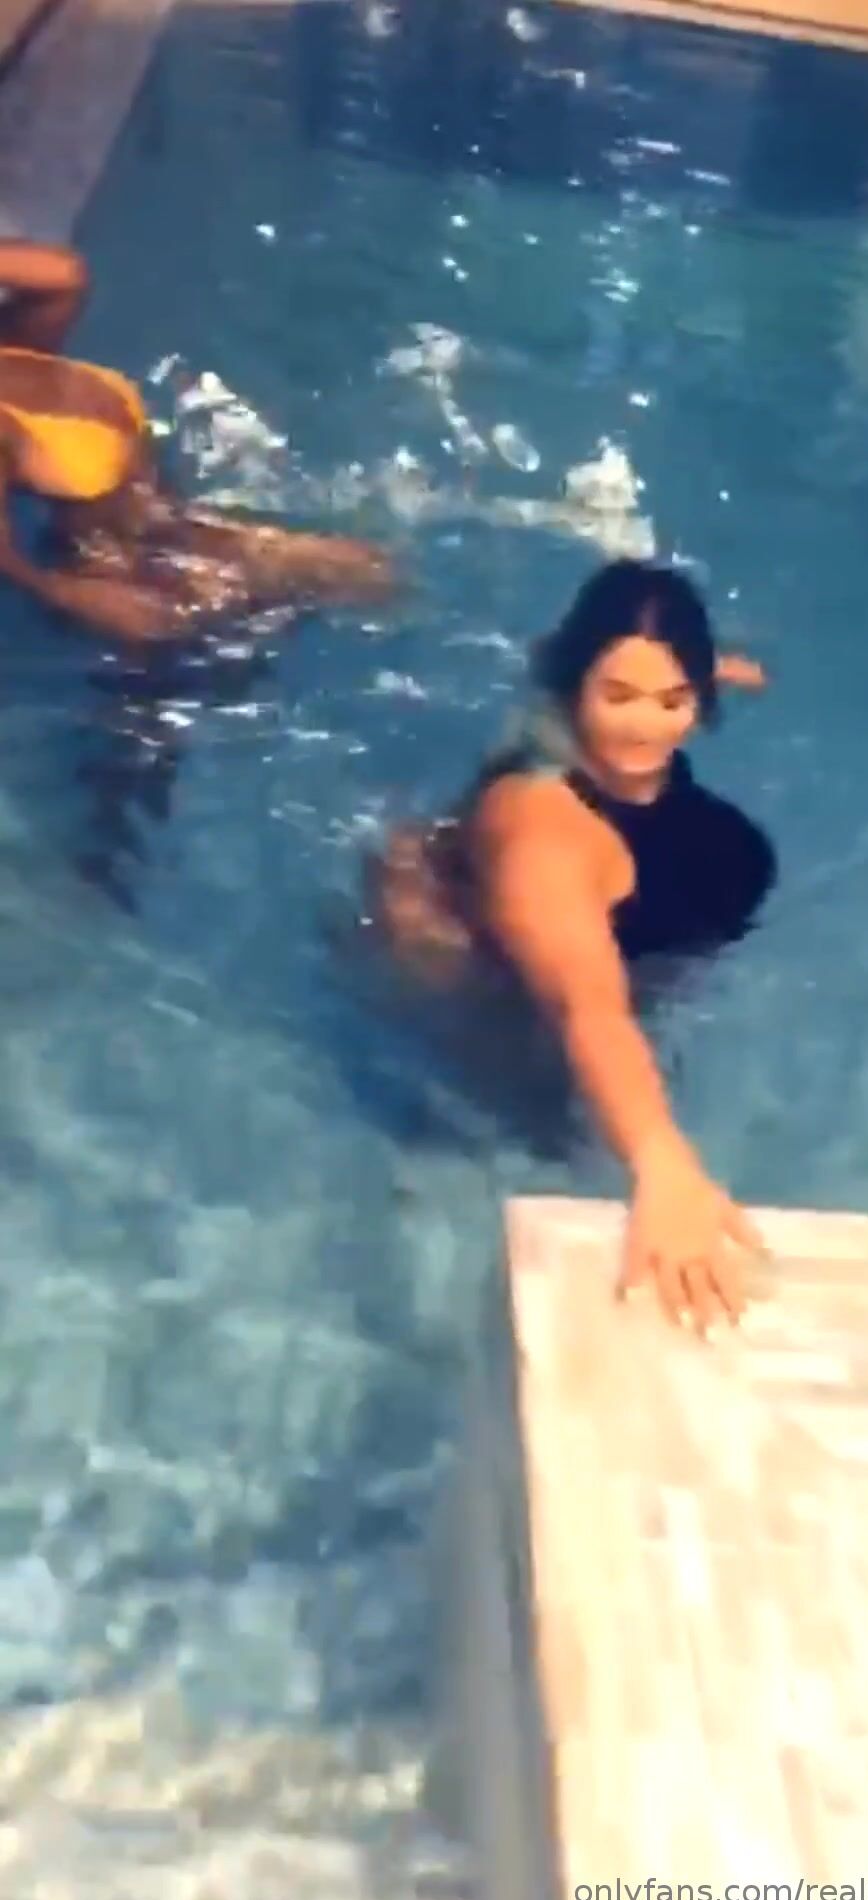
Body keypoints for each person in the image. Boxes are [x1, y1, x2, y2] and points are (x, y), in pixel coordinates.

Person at [369, 560, 777, 1337]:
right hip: (482, 965)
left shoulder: (588, 717)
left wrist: (706, 668)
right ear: (575, 688)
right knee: (517, 1126)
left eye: (674, 699)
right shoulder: (543, 835)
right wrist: (661, 1159)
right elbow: (587, 1006)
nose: (646, 726)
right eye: (618, 696)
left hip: (576, 893)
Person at [0, 239, 394, 644]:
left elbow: (63, 273)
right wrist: (66, 593)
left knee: (372, 572)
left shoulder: (20, 343)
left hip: (175, 522)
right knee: (208, 659)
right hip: (115, 563)